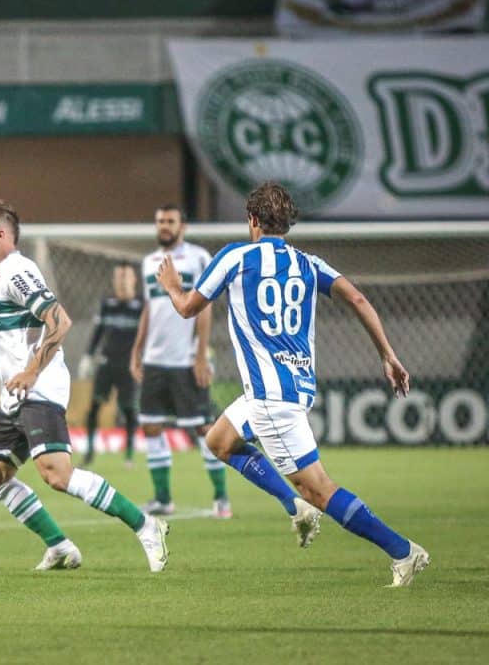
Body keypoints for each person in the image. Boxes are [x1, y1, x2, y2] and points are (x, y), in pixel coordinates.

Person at [156, 181, 429, 587]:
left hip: (271, 398)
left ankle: (402, 551)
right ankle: (295, 507)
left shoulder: (235, 256)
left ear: (252, 219)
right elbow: (358, 300)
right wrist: (388, 355)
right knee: (219, 441)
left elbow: (186, 308)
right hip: (293, 386)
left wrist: (171, 285)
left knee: (319, 489)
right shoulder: (308, 262)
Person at [0, 199, 169, 572]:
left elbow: (59, 321)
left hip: (38, 386)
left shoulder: (17, 270)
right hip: (16, 393)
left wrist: (33, 371)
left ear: (0, 234)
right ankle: (60, 547)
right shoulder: (0, 275)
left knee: (56, 473)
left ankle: (147, 525)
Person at [129, 204, 231, 519]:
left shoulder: (198, 257)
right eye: (160, 221)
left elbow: (206, 306)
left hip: (186, 359)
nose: (164, 226)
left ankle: (221, 499)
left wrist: (201, 354)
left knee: (203, 428)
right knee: (151, 425)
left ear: (182, 226)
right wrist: (137, 350)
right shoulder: (148, 263)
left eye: (170, 221)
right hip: (155, 359)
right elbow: (150, 308)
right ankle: (162, 498)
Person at [77, 263, 142, 467]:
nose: (121, 282)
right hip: (107, 362)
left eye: (126, 278)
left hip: (129, 365)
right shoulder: (108, 303)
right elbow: (98, 332)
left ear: (134, 280)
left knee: (129, 409)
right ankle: (88, 453)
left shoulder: (141, 305)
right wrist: (88, 356)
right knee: (95, 406)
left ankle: (129, 454)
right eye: (118, 278)